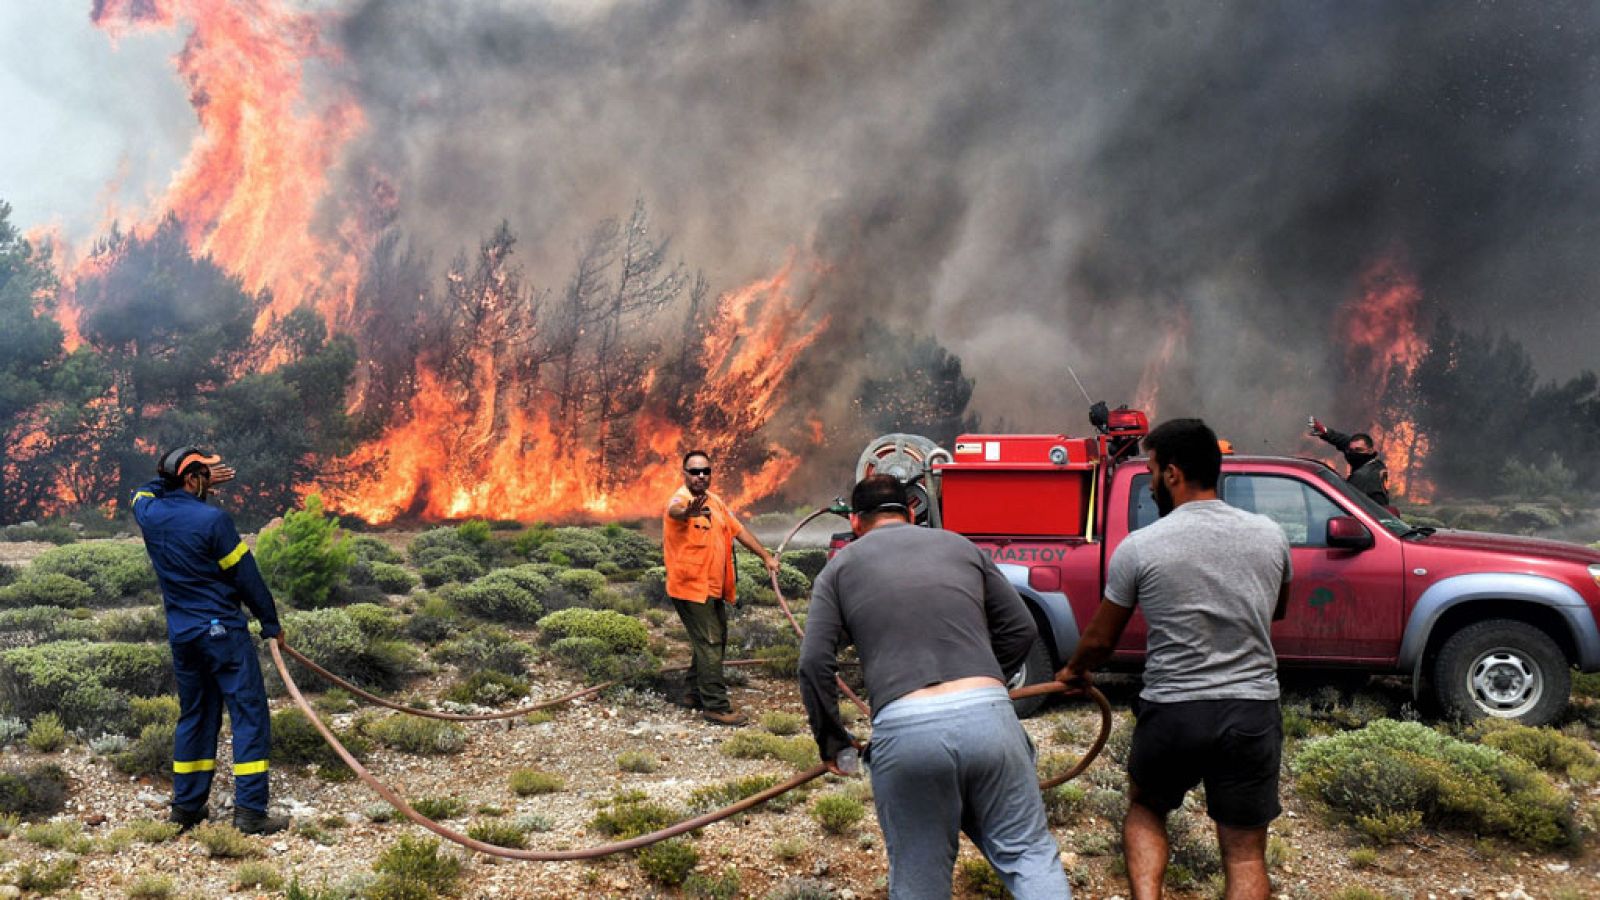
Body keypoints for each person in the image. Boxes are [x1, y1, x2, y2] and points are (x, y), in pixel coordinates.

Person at [799, 474, 1071, 899]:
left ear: (855, 522)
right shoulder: (960, 546)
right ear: (911, 512)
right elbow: (1021, 629)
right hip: (990, 720)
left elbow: (814, 662)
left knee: (919, 881)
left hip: (907, 732)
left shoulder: (839, 569)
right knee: (1029, 856)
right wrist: (987, 681)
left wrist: (835, 743)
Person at [1062, 418, 1291, 900]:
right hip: (1250, 709)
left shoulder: (1142, 547)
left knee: (1146, 809)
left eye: (1149, 468)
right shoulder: (1270, 535)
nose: (1148, 481)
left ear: (1172, 473)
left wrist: (1074, 671)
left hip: (1174, 710)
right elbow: (1279, 609)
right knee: (1246, 854)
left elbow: (1102, 639)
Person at [131, 446, 289, 836]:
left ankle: (186, 809)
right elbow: (245, 576)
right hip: (222, 634)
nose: (209, 484)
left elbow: (142, 492)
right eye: (203, 477)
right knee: (249, 714)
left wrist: (175, 476)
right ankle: (250, 811)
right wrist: (270, 622)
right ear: (192, 479)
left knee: (196, 715)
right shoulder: (213, 520)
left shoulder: (150, 514)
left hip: (183, 636)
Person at [662, 449, 780, 726]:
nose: (701, 476)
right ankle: (715, 706)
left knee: (713, 640)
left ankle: (692, 693)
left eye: (706, 471)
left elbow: (739, 531)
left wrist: (766, 557)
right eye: (695, 471)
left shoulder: (715, 502)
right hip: (690, 588)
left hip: (713, 587)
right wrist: (688, 511)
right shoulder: (681, 500)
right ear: (685, 474)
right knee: (711, 642)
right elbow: (675, 510)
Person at [1308, 417, 1391, 506]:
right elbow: (1345, 441)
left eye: (1359, 450)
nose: (1353, 454)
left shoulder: (1360, 477)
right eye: (1351, 450)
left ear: (1370, 450)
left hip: (1371, 515)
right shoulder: (1377, 464)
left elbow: (1344, 503)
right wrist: (1325, 432)